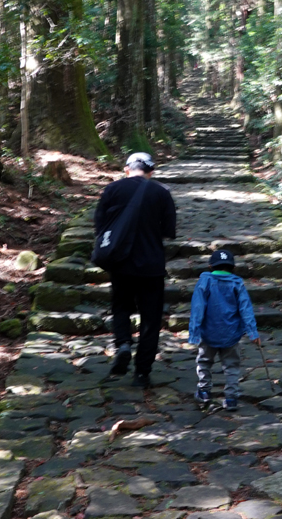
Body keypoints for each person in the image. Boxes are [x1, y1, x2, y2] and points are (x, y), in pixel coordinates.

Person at [94, 151, 176, 387]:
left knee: (120, 306)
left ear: (126, 169)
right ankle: (142, 373)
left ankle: (123, 344)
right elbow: (168, 229)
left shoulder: (112, 190)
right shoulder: (161, 192)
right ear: (151, 172)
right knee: (151, 318)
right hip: (151, 264)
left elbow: (100, 225)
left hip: (120, 262)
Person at [188, 249, 259, 410]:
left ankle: (204, 391)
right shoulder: (237, 283)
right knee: (232, 366)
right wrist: (253, 332)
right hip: (231, 334)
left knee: (204, 362)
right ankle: (231, 398)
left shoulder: (205, 281)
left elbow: (198, 308)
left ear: (211, 265)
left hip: (208, 332)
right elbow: (246, 309)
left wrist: (194, 332)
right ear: (232, 267)